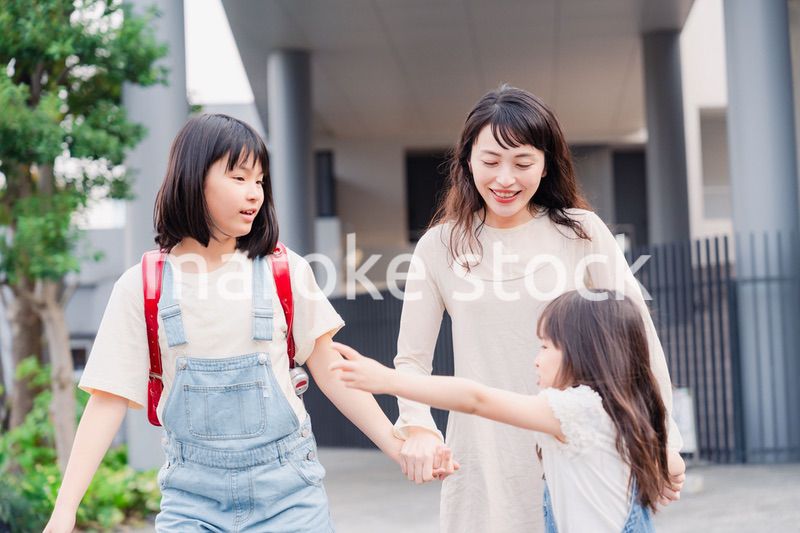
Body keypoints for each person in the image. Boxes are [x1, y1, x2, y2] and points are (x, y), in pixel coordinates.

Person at [43, 114, 453, 533]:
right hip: (191, 501)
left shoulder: (285, 270)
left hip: (290, 497)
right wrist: (65, 510)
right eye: (238, 177)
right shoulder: (142, 286)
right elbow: (108, 399)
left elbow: (331, 371)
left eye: (259, 181)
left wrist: (396, 446)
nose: (254, 193)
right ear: (193, 179)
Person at [389, 85, 684, 532]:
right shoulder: (438, 246)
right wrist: (418, 428)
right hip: (482, 457)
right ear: (467, 159)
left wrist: (665, 440)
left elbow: (638, 337)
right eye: (490, 161)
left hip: (580, 454)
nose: (505, 179)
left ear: (546, 164)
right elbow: (411, 359)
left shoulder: (581, 233)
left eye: (523, 162)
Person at [331, 290, 686, 533]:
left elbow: (476, 399)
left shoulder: (580, 409)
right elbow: (671, 462)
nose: (536, 357)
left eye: (546, 346)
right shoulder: (623, 409)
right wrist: (670, 466)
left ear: (588, 352)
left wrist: (388, 380)